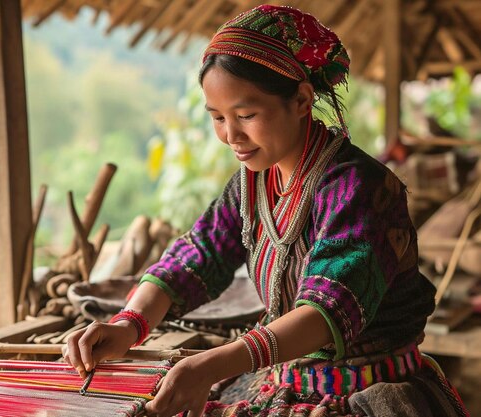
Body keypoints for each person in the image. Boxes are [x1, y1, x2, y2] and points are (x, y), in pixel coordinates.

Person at [64, 5, 470, 417]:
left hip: (369, 393)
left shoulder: (360, 188)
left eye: (246, 115)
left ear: (301, 100)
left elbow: (322, 313)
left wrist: (210, 364)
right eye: (218, 118)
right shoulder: (252, 183)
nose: (231, 136)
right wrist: (128, 324)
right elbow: (197, 254)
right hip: (285, 382)